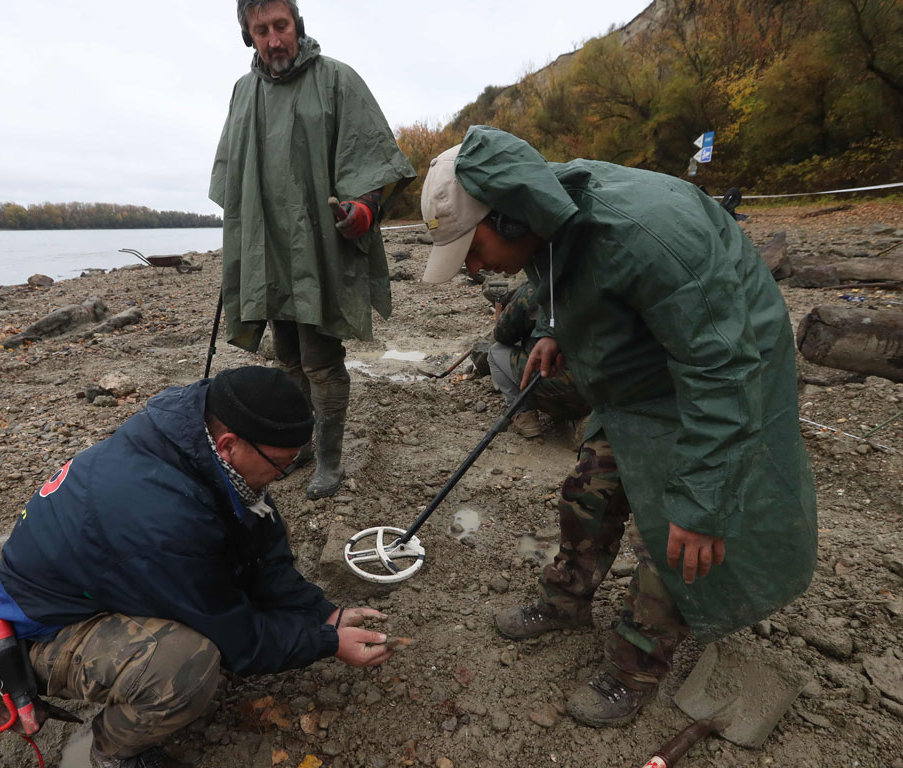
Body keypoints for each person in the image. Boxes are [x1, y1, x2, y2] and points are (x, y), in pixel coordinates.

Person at [420, 126, 817, 728]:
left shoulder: (649, 234)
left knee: (676, 535)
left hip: (722, 375)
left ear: (506, 217)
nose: (473, 268)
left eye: (471, 250)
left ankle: (635, 665)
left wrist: (703, 502)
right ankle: (565, 601)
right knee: (590, 487)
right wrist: (556, 330)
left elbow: (721, 367)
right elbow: (557, 272)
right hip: (645, 369)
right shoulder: (548, 218)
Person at [0, 367, 393, 768]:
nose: (282, 477)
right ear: (229, 445)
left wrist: (320, 612)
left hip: (103, 576)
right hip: (44, 627)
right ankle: (113, 749)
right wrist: (327, 642)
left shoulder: (194, 442)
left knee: (230, 563)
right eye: (280, 466)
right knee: (186, 664)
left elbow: (261, 548)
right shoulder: (163, 518)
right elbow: (240, 643)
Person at [209, 0, 415, 501]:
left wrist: (363, 210)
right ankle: (299, 441)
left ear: (297, 25)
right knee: (289, 358)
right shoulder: (243, 92)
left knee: (321, 359)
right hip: (269, 250)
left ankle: (330, 458)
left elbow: (368, 157)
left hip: (321, 244)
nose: (274, 39)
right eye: (261, 30)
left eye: (281, 26)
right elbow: (231, 175)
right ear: (248, 36)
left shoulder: (337, 80)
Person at [487, 279, 590, 438]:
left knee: (495, 352)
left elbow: (502, 335)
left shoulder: (534, 289)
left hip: (555, 384)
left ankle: (523, 414)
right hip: (602, 386)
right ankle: (587, 422)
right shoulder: (599, 279)